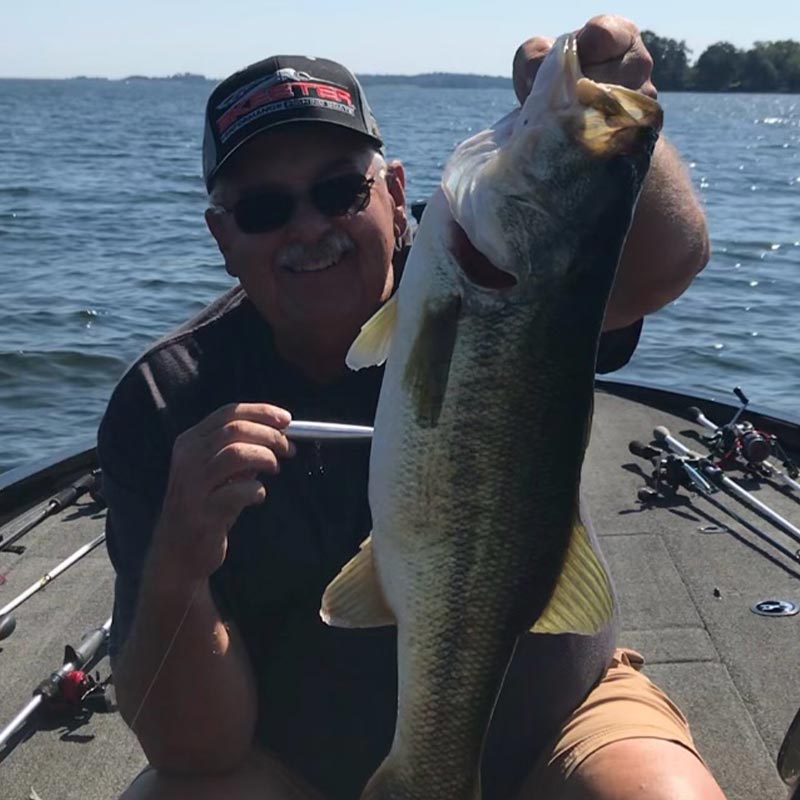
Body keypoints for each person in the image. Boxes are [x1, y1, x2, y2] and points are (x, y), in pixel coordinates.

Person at [100, 14, 725, 800]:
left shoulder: (498, 279)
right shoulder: (166, 399)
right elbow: (194, 750)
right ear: (222, 237)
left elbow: (668, 259)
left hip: (560, 723)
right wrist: (177, 567)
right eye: (263, 209)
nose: (309, 227)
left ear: (396, 194)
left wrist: (621, 122)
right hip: (293, 762)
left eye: (339, 191)